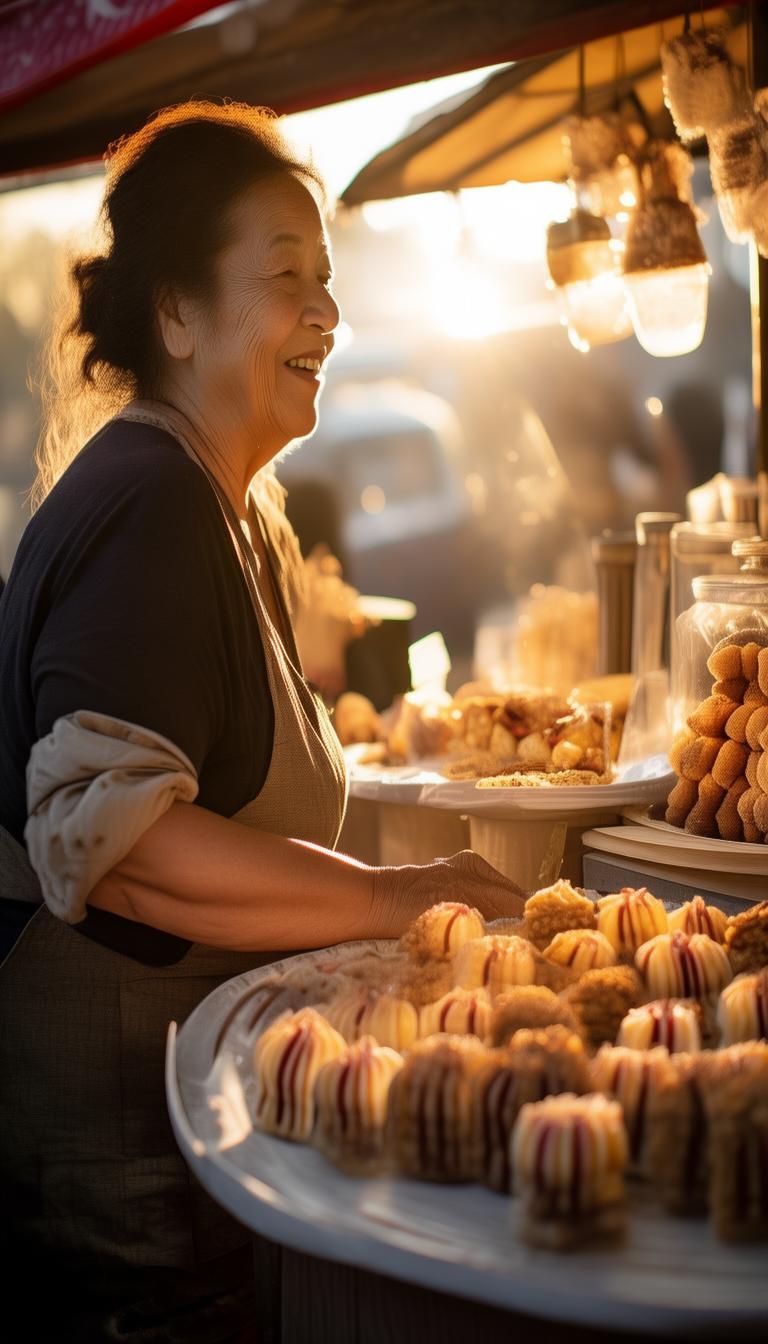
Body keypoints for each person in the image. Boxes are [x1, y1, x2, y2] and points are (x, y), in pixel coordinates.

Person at [0, 102, 523, 1342]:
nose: (326, 313)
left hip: (194, 1165)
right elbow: (117, 848)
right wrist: (399, 898)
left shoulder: (224, 502)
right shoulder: (151, 503)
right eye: (286, 278)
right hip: (122, 1218)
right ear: (176, 315)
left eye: (328, 281)